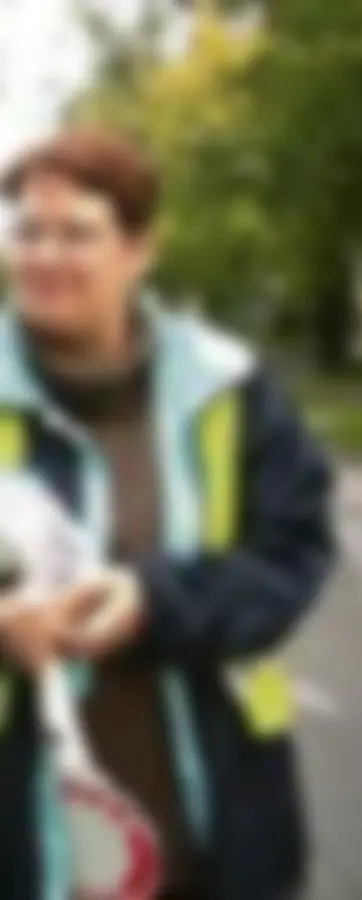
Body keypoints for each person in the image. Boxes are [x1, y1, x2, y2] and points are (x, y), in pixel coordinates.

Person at [0, 127, 335, 899]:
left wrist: (151, 601)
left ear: (138, 249)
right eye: (29, 232)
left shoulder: (225, 389)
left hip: (213, 834)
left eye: (75, 233)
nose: (46, 255)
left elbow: (290, 557)